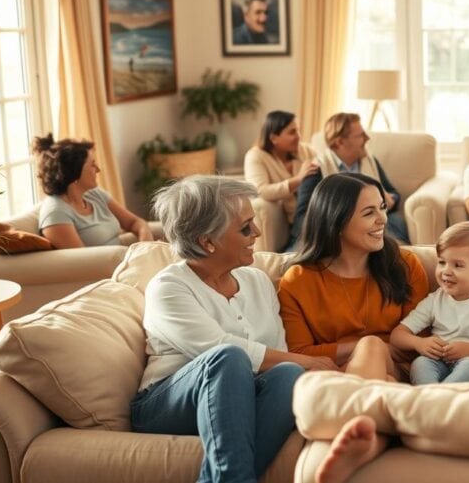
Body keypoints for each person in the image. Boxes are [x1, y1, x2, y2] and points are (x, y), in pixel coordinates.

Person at [131, 176, 336, 483]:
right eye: (245, 227)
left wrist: (302, 365)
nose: (257, 232)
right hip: (168, 405)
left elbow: (279, 356)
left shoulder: (257, 282)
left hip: (243, 400)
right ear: (206, 241)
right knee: (227, 357)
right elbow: (215, 348)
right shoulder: (169, 287)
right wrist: (308, 361)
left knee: (288, 375)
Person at [278, 172, 429, 381]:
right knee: (381, 375)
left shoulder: (405, 264)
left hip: (398, 368)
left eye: (382, 207)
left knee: (371, 347)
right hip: (340, 375)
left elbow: (419, 341)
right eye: (369, 213)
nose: (383, 219)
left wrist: (369, 348)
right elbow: (300, 353)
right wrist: (360, 348)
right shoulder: (298, 281)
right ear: (337, 223)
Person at [390, 221, 469, 384]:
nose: (446, 271)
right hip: (440, 364)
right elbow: (397, 335)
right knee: (420, 362)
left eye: (458, 265)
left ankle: (439, 401)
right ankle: (432, 399)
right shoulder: (435, 300)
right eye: (442, 262)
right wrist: (419, 343)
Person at [301, 112, 409, 244]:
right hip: (333, 228)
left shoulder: (370, 161)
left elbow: (393, 194)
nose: (367, 138)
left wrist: (390, 199)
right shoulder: (316, 169)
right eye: (360, 135)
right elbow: (303, 216)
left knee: (396, 224)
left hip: (372, 220)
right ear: (340, 142)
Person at [34, 134, 152, 248]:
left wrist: (146, 246)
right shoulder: (55, 214)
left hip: (125, 260)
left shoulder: (94, 194)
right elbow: (83, 263)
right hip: (107, 267)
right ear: (74, 174)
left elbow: (135, 223)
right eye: (92, 165)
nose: (98, 170)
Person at [243, 110, 320, 251]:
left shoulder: (306, 151)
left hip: (313, 213)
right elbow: (260, 191)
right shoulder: (255, 156)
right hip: (292, 220)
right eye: (292, 132)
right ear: (273, 137)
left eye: (298, 131)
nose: (299, 136)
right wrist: (299, 179)